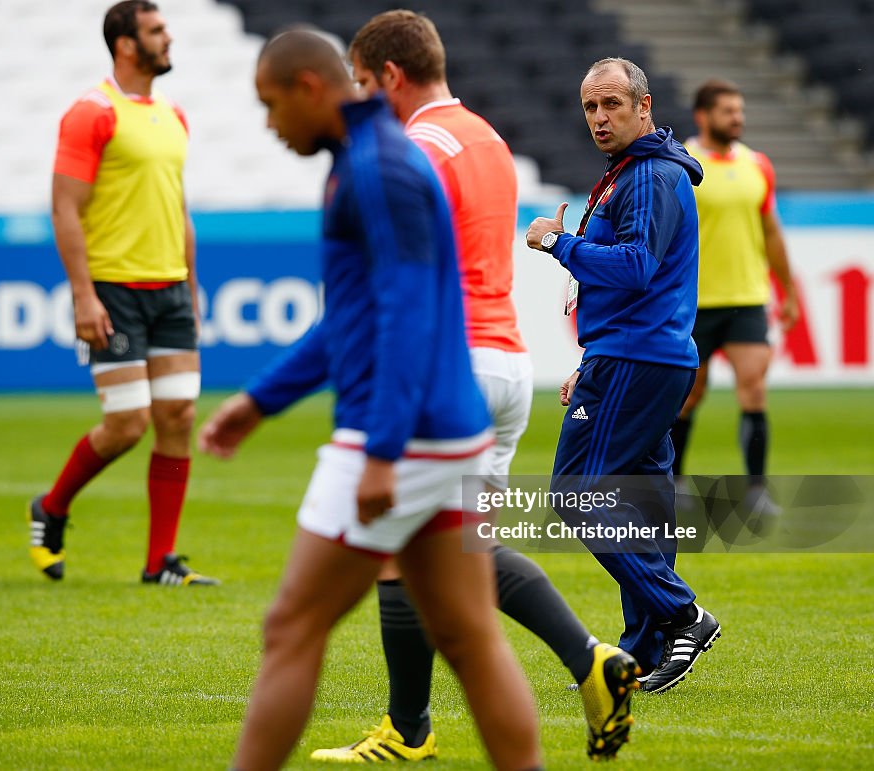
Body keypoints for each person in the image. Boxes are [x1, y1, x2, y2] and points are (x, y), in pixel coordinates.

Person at [199, 27, 542, 771]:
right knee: (469, 634)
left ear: (310, 88)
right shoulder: (369, 158)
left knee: (292, 623)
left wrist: (383, 450)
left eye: (271, 104)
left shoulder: (377, 169)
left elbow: (407, 314)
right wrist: (260, 402)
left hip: (404, 437)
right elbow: (351, 320)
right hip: (448, 428)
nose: (269, 124)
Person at [310, 11, 638, 764]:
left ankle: (409, 730)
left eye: (364, 83)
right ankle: (591, 661)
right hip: (505, 364)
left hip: (446, 366)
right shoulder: (487, 136)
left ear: (390, 75)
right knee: (462, 548)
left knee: (403, 548)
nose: (362, 99)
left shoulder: (414, 147)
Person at [525, 57, 720, 694]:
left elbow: (635, 266)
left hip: (640, 357)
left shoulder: (649, 177)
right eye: (590, 108)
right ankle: (648, 646)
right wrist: (591, 357)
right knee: (644, 502)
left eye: (611, 104)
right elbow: (636, 282)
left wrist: (558, 243)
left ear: (644, 108)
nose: (599, 118)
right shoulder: (636, 173)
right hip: (639, 353)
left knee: (576, 492)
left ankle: (683, 614)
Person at [28, 0, 217, 587]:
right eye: (157, 30)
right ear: (126, 44)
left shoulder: (174, 115)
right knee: (128, 424)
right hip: (114, 290)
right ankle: (52, 506)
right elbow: (65, 207)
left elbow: (177, 207)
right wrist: (83, 295)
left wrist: (191, 282)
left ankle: (161, 562)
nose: (169, 38)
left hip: (170, 291)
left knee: (179, 416)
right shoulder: (91, 112)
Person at [672, 79, 798, 513]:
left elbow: (770, 231)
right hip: (694, 302)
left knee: (754, 390)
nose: (738, 118)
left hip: (746, 297)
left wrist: (789, 289)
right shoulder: (682, 163)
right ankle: (675, 482)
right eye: (728, 111)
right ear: (703, 116)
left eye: (740, 110)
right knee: (689, 395)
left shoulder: (757, 164)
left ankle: (757, 490)